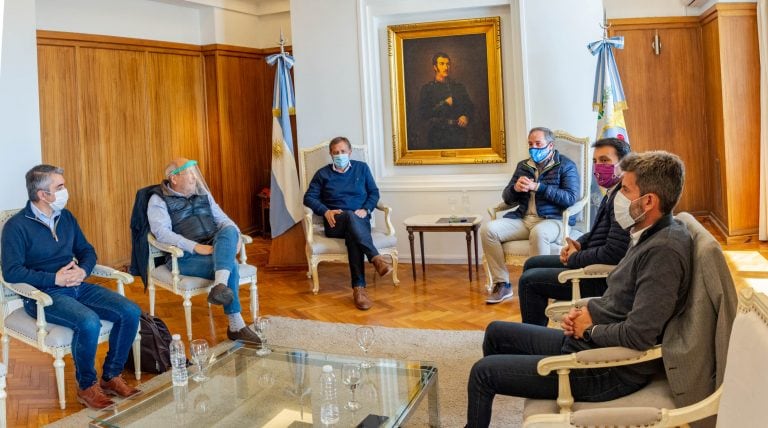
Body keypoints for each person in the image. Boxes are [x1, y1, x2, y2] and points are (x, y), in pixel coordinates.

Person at [466, 151, 690, 428]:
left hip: (605, 368)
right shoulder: (646, 233)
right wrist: (587, 311)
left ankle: (509, 382)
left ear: (649, 201)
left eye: (627, 189)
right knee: (496, 332)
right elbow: (621, 299)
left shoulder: (663, 252)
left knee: (482, 373)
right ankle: (519, 381)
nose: (620, 195)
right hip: (590, 342)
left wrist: (589, 328)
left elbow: (639, 335)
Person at [1, 165, 142, 409]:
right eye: (60, 187)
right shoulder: (16, 227)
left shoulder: (65, 217)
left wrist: (83, 270)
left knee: (130, 311)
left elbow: (87, 251)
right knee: (88, 322)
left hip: (78, 284)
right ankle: (86, 386)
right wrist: (54, 279)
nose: (66, 191)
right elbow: (12, 272)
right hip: (44, 294)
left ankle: (110, 376)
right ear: (43, 195)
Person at [518, 138, 631, 325]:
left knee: (529, 281)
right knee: (532, 263)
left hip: (600, 278)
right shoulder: (612, 191)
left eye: (604, 160)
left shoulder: (623, 198)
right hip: (590, 263)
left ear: (624, 163)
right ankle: (535, 329)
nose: (598, 167)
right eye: (595, 162)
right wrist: (578, 244)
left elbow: (614, 253)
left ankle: (533, 341)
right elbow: (598, 233)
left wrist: (574, 258)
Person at [147, 158, 261, 344]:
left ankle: (220, 286)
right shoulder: (158, 199)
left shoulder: (203, 194)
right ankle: (236, 325)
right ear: (174, 178)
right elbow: (162, 233)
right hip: (185, 257)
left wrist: (237, 237)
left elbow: (224, 220)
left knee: (230, 230)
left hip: (213, 245)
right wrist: (195, 247)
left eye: (195, 172)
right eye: (190, 173)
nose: (195, 178)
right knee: (230, 262)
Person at [481, 127, 580, 304]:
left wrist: (539, 187)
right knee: (488, 230)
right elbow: (507, 198)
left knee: (539, 232)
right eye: (530, 144)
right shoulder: (523, 166)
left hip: (553, 220)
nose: (533, 148)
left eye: (538, 144)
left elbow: (570, 198)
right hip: (523, 219)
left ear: (550, 146)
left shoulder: (566, 165)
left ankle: (539, 285)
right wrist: (515, 189)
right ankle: (502, 284)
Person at [303, 136, 393, 311]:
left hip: (360, 222)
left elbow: (373, 193)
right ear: (330, 154)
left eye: (343, 151)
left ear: (350, 152)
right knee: (350, 217)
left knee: (353, 233)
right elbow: (309, 197)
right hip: (335, 223)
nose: (339, 155)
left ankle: (359, 290)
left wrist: (366, 209)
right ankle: (376, 259)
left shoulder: (362, 168)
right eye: (335, 152)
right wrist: (325, 211)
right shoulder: (322, 174)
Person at [417, 52, 474, 149]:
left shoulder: (459, 87)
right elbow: (424, 114)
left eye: (448, 64)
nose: (446, 67)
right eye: (442, 64)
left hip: (458, 134)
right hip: (437, 135)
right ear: (435, 67)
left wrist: (466, 116)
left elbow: (470, 107)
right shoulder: (427, 89)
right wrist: (445, 103)